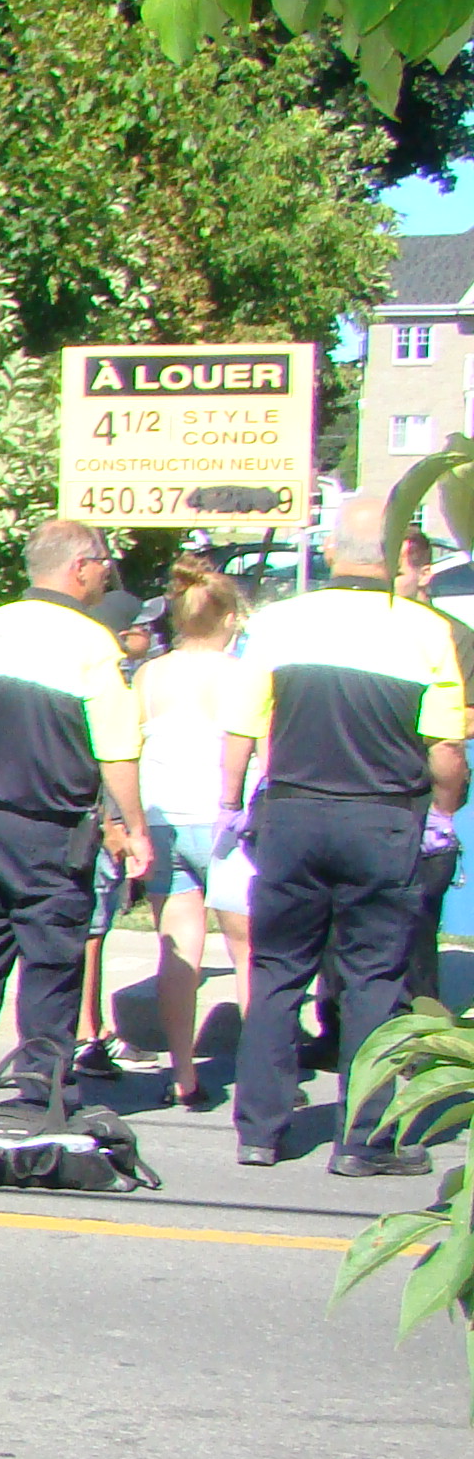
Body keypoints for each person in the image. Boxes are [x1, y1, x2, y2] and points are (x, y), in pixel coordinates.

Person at [223, 493, 470, 1173]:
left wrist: (229, 804)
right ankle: (363, 1139)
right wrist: (442, 818)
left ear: (331, 551)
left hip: (294, 814)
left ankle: (260, 1131)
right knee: (373, 978)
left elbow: (241, 727)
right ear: (395, 557)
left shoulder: (280, 622)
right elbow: (446, 751)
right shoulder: (423, 630)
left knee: (277, 973)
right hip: (382, 819)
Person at [0, 520, 152, 1109]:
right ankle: (39, 1090)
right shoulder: (92, 645)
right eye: (102, 560)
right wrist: (132, 828)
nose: (107, 570)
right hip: (51, 829)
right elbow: (116, 751)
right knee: (51, 963)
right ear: (79, 567)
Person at [135, 561, 257, 1109]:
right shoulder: (244, 674)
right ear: (229, 617)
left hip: (163, 817)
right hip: (228, 820)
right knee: (249, 949)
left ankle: (182, 1070)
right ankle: (261, 1068)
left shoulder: (150, 674)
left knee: (178, 950)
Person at [72, 588, 160, 1081]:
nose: (150, 634)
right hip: (98, 823)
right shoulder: (105, 677)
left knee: (95, 929)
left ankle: (91, 1027)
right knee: (91, 930)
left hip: (98, 821)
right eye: (142, 626)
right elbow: (102, 760)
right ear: (121, 633)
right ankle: (87, 1033)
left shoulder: (106, 670)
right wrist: (114, 826)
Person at [395, 524, 474, 1006]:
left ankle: (417, 1023)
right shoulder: (370, 626)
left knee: (417, 919)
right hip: (368, 785)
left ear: (425, 572)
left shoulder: (454, 636)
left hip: (423, 788)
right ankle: (337, 1023)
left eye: (399, 569)